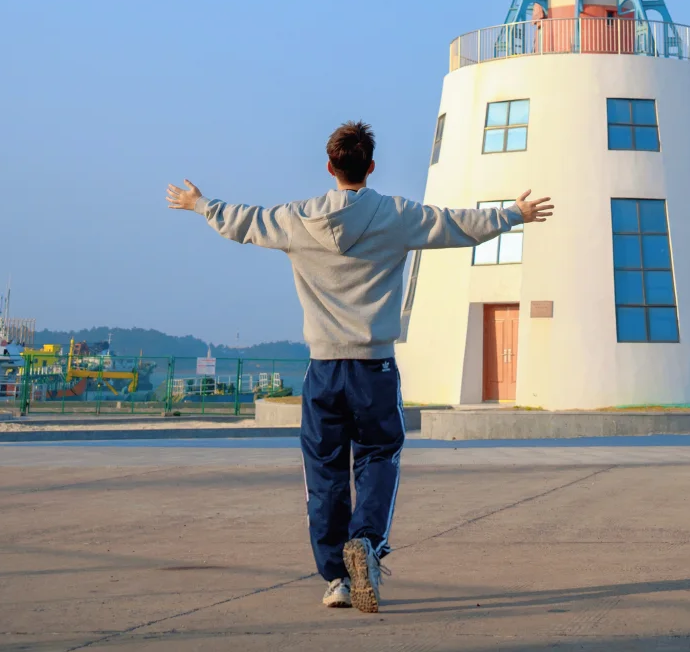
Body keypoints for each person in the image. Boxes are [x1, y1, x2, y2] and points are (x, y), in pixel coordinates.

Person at [166, 119, 553, 614]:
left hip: (323, 370)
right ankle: (366, 544)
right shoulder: (395, 215)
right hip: (375, 368)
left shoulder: (296, 218)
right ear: (370, 167)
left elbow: (244, 222)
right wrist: (513, 214)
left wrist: (199, 204)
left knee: (324, 473)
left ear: (330, 167)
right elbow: (457, 225)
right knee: (378, 458)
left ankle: (336, 580)